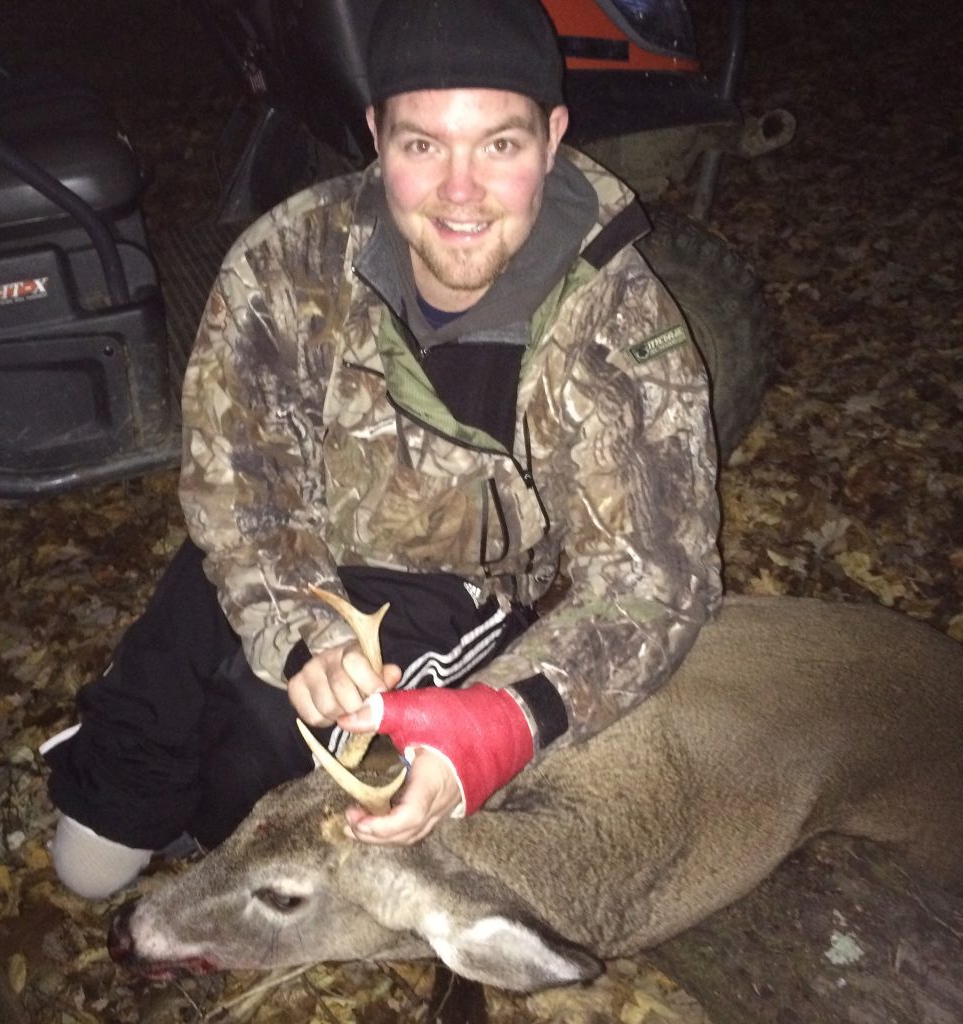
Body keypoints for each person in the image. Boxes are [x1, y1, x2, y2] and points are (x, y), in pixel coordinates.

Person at [42, 0, 721, 899]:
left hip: (455, 586)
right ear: (376, 135)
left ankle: (214, 821)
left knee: (256, 750)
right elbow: (242, 486)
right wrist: (300, 637)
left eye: (500, 145)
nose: (461, 191)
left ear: (553, 138)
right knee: (91, 849)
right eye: (422, 145)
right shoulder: (288, 260)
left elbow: (660, 579)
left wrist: (496, 728)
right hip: (300, 555)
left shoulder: (609, 314)